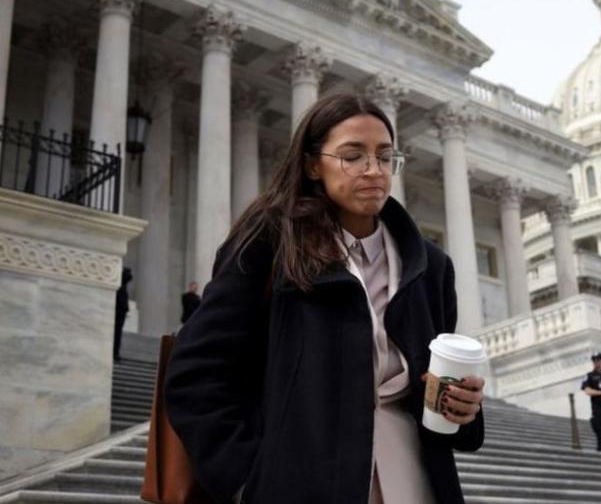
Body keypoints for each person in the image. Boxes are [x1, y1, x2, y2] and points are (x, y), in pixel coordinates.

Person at [164, 91, 485, 504]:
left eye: (385, 157)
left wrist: (463, 407)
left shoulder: (430, 266)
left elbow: (435, 386)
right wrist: (248, 481)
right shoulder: (270, 243)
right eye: (353, 156)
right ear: (313, 164)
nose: (373, 170)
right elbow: (197, 372)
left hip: (415, 481)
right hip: (302, 484)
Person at [113, 267, 132, 361]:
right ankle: (114, 353)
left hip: (121, 310)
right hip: (118, 310)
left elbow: (129, 277)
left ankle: (115, 352)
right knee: (116, 333)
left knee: (118, 333)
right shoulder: (119, 283)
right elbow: (127, 276)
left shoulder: (123, 285)